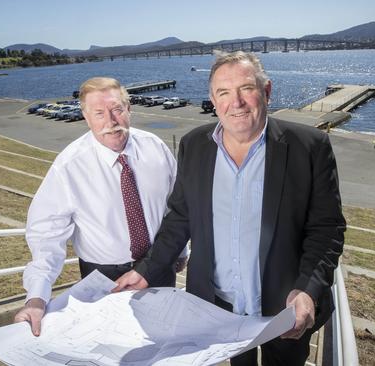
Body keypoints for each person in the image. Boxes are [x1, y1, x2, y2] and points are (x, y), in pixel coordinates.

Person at [114, 52, 346, 366]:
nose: (235, 102)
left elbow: (326, 230)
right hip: (217, 309)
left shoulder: (310, 147)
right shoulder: (194, 145)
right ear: (212, 99)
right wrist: (145, 270)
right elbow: (179, 218)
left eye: (246, 89)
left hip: (285, 310)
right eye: (223, 92)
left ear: (266, 91)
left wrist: (307, 290)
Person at [15, 77, 187, 336]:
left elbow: (176, 206)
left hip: (158, 265)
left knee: (163, 336)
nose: (111, 121)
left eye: (117, 109)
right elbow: (45, 236)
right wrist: (37, 298)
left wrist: (181, 250)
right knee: (113, 343)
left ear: (129, 109)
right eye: (99, 113)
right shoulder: (69, 167)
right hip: (105, 278)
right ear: (86, 117)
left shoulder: (156, 147)